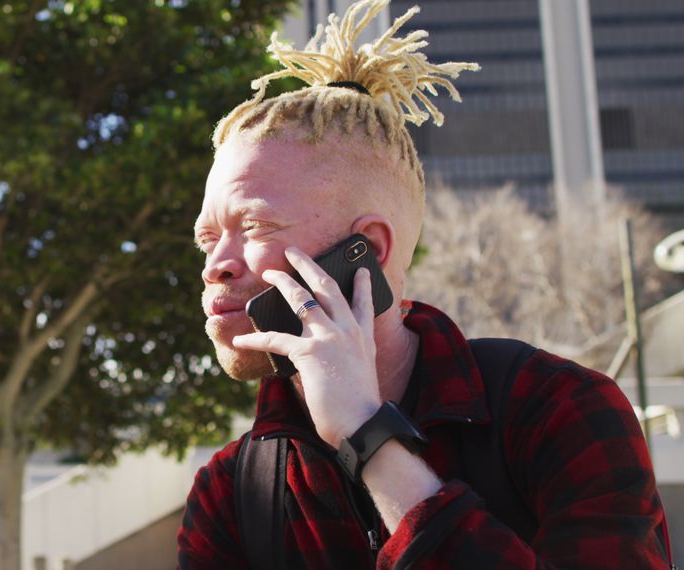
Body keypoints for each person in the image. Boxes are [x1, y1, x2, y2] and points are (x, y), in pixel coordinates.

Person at [176, 0, 673, 568]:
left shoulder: (560, 409)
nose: (215, 264)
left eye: (255, 225)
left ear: (369, 252)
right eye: (206, 239)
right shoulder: (228, 494)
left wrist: (369, 437)